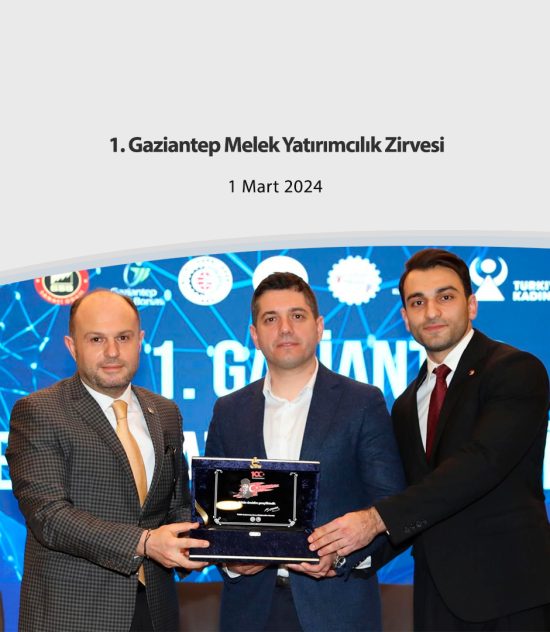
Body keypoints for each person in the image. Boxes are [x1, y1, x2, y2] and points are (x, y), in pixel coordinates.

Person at [309, 248, 550, 631]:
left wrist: (374, 520)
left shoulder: (515, 370)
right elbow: (410, 497)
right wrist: (342, 555)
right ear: (405, 317)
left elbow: (480, 464)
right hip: (436, 600)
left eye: (445, 297)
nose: (432, 312)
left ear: (471, 305)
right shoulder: (407, 404)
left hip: (510, 594)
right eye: (417, 302)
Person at [205, 271, 406, 632]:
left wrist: (343, 556)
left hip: (338, 608)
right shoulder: (229, 411)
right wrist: (229, 560)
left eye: (297, 316)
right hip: (250, 611)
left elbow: (393, 505)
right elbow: (212, 511)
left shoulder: (362, 402)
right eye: (271, 319)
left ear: (319, 326)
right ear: (254, 335)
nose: (285, 328)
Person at [6, 289, 210, 632]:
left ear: (140, 341)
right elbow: (49, 515)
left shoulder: (165, 412)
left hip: (155, 613)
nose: (112, 352)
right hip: (73, 617)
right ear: (72, 346)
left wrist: (210, 546)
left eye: (123, 338)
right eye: (96, 339)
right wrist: (144, 542)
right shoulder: (39, 412)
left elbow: (176, 506)